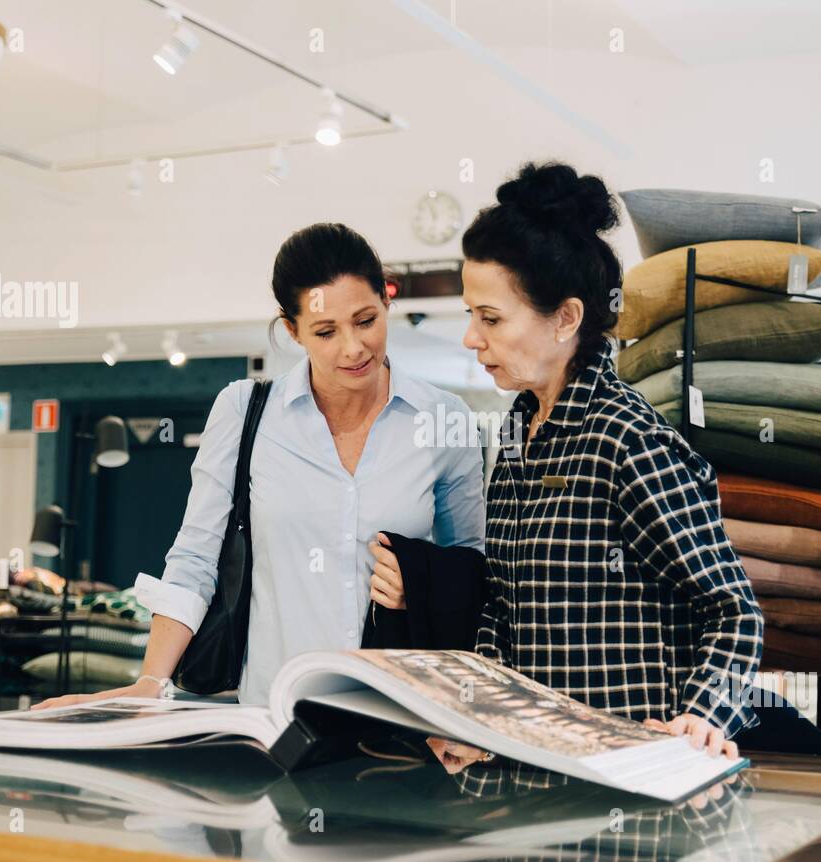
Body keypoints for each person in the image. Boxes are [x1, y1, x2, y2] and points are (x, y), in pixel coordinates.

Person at [34, 223, 485, 710]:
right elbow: (196, 558)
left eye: (366, 320)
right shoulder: (244, 412)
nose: (353, 348)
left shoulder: (442, 418)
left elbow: (474, 562)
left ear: (386, 303)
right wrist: (151, 681)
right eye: (326, 332)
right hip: (277, 709)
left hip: (403, 707)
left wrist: (420, 585)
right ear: (292, 330)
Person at [428, 162, 764, 772]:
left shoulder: (628, 440)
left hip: (626, 781)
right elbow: (501, 608)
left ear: (566, 318)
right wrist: (477, 717)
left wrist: (705, 716)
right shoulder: (516, 434)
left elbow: (734, 612)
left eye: (492, 318)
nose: (471, 339)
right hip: (527, 775)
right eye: (470, 315)